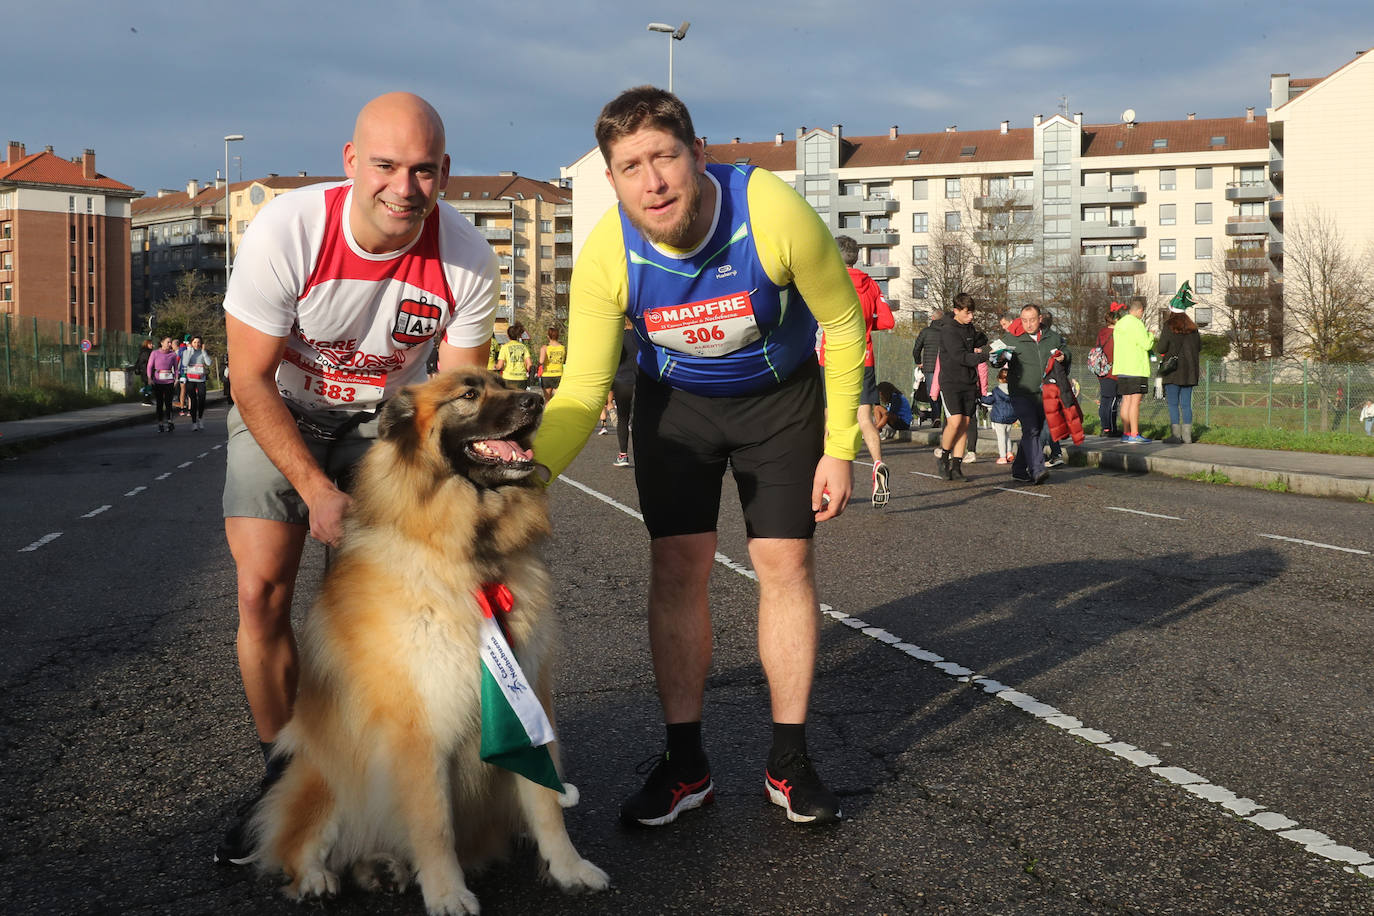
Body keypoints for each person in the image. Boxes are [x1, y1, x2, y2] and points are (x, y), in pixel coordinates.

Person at [533, 86, 864, 828]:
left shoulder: (769, 210)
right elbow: (584, 389)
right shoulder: (606, 254)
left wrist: (840, 448)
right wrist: (529, 478)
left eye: (664, 157)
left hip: (778, 401)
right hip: (676, 406)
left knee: (783, 563)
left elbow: (842, 327)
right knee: (679, 565)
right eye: (629, 167)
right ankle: (687, 767)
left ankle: (789, 761)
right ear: (611, 181)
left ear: (698, 155)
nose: (651, 181)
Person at [214, 92, 499, 865]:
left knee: (377, 615)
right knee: (260, 591)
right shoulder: (289, 229)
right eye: (384, 166)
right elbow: (248, 378)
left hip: (386, 424)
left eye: (422, 171)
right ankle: (283, 771)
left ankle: (373, 771)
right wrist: (314, 490)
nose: (402, 188)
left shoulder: (466, 255)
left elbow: (455, 405)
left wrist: (466, 510)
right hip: (283, 403)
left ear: (444, 172)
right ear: (350, 163)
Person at [822, 235, 894, 506]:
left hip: (833, 357)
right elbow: (887, 321)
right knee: (865, 418)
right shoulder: (872, 285)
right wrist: (867, 323)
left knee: (830, 421)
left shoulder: (829, 281)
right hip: (864, 357)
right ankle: (877, 464)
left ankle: (829, 486)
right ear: (856, 257)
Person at [1000, 303, 1067, 484]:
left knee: (1035, 432)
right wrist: (998, 357)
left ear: (1040, 319)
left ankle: (1019, 469)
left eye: (1032, 320)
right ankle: (1037, 469)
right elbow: (996, 358)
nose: (1028, 324)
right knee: (1031, 428)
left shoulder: (1052, 337)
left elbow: (1065, 349)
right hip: (1021, 392)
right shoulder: (1012, 338)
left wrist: (1064, 356)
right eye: (1024, 320)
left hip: (1045, 393)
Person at [935, 292, 988, 481]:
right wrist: (982, 356)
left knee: (965, 424)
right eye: (967, 313)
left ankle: (956, 467)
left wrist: (984, 344)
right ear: (956, 311)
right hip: (951, 382)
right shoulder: (948, 330)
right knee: (955, 421)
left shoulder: (969, 327)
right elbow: (960, 356)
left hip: (968, 382)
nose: (971, 317)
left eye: (972, 313)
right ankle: (943, 457)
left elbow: (977, 340)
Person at [1156, 286, 1203, 444]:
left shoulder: (1169, 326)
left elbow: (1161, 348)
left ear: (1172, 311)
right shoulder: (1193, 328)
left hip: (1173, 371)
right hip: (1190, 371)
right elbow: (1198, 348)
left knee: (1173, 404)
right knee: (1186, 404)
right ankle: (1187, 436)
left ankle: (1175, 436)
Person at [1112, 299, 1156, 444]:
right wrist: (1151, 334)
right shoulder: (1137, 324)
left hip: (1122, 368)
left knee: (1126, 401)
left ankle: (1126, 433)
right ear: (1140, 310)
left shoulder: (1120, 324)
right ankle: (1135, 434)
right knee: (1135, 402)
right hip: (1136, 368)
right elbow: (1146, 344)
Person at [1092, 304, 1123, 437]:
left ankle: (1105, 428)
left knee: (1105, 400)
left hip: (1101, 371)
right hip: (1113, 371)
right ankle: (1110, 429)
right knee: (1113, 401)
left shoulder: (1101, 333)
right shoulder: (1117, 334)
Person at [911, 305, 945, 428]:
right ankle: (944, 417)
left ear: (932, 318)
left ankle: (936, 417)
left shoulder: (926, 331)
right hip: (945, 367)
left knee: (932, 392)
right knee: (943, 392)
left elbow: (916, 349)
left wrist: (918, 362)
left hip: (929, 367)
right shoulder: (947, 332)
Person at [610, 322, 637, 467]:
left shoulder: (617, 337)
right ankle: (642, 456)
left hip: (621, 381)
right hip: (641, 381)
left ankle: (623, 455)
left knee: (623, 418)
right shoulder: (642, 336)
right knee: (640, 419)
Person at [982, 365, 1017, 464]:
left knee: (1001, 437)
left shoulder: (997, 391)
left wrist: (981, 398)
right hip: (1010, 417)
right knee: (1007, 435)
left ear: (1000, 379)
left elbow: (989, 400)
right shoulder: (1013, 390)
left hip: (999, 417)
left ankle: (1002, 456)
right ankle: (1009, 452)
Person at [146, 337, 180, 433]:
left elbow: (176, 368)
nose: (170, 344)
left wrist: (176, 378)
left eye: (170, 342)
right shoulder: (155, 353)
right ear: (162, 343)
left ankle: (170, 422)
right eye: (168, 342)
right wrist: (149, 378)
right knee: (159, 403)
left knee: (168, 403)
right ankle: (160, 423)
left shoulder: (173, 355)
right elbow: (149, 366)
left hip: (169, 381)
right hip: (158, 381)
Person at [181, 336, 214, 431]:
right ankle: (194, 422)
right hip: (191, 379)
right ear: (191, 343)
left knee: (202, 399)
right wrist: (190, 351)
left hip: (201, 379)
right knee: (193, 401)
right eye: (195, 342)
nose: (197, 344)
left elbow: (209, 363)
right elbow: (185, 363)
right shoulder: (187, 352)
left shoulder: (202, 352)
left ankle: (200, 418)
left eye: (198, 342)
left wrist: (203, 352)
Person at [496, 321, 533, 388]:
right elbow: (529, 364)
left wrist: (495, 367)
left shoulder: (505, 347)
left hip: (508, 378)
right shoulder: (523, 347)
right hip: (521, 378)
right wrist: (526, 370)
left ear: (508, 335)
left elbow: (500, 366)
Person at [538, 325, 566, 401]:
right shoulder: (562, 348)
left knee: (548, 400)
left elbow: (541, 361)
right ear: (558, 336)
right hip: (559, 375)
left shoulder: (545, 347)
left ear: (548, 336)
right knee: (558, 400)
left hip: (547, 376)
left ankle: (547, 412)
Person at [134, 338, 155, 405]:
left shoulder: (146, 352)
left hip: (146, 371)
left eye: (152, 344)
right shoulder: (146, 352)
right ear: (146, 344)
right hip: (146, 372)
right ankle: (146, 400)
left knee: (148, 386)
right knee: (148, 386)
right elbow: (148, 362)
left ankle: (147, 399)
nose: (152, 345)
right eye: (150, 344)